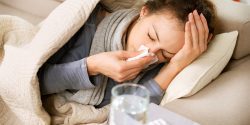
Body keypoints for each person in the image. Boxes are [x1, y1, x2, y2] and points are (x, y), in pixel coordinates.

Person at [38, 0, 215, 107]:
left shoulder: (158, 67)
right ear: (144, 12)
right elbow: (33, 81)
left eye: (166, 53)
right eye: (151, 36)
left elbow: (127, 117)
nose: (150, 53)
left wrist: (174, 66)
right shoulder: (85, 23)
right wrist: (93, 66)